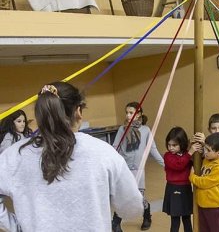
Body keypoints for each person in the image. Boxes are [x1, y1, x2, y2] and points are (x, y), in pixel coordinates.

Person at [0, 82, 143, 231]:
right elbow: (132, 209)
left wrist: (16, 227)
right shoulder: (104, 153)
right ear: (78, 111)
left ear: (40, 114)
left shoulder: (14, 155)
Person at [112, 102, 164, 231]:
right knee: (123, 195)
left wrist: (166, 164)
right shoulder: (122, 129)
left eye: (131, 113)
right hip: (124, 169)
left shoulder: (145, 130)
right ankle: (116, 222)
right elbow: (115, 147)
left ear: (139, 114)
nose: (128, 115)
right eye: (127, 112)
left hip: (139, 169)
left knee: (139, 196)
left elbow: (153, 149)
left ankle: (147, 216)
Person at [189, 132, 219, 232]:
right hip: (203, 205)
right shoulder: (207, 160)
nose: (205, 152)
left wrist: (192, 177)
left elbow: (204, 183)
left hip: (215, 208)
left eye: (208, 150)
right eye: (205, 148)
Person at [162, 126, 201, 232]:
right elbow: (178, 165)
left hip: (186, 188)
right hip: (173, 188)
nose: (171, 148)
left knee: (186, 218)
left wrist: (193, 149)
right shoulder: (167, 156)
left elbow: (195, 163)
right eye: (169, 145)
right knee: (175, 220)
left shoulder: (186, 154)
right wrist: (190, 152)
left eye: (174, 145)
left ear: (182, 144)